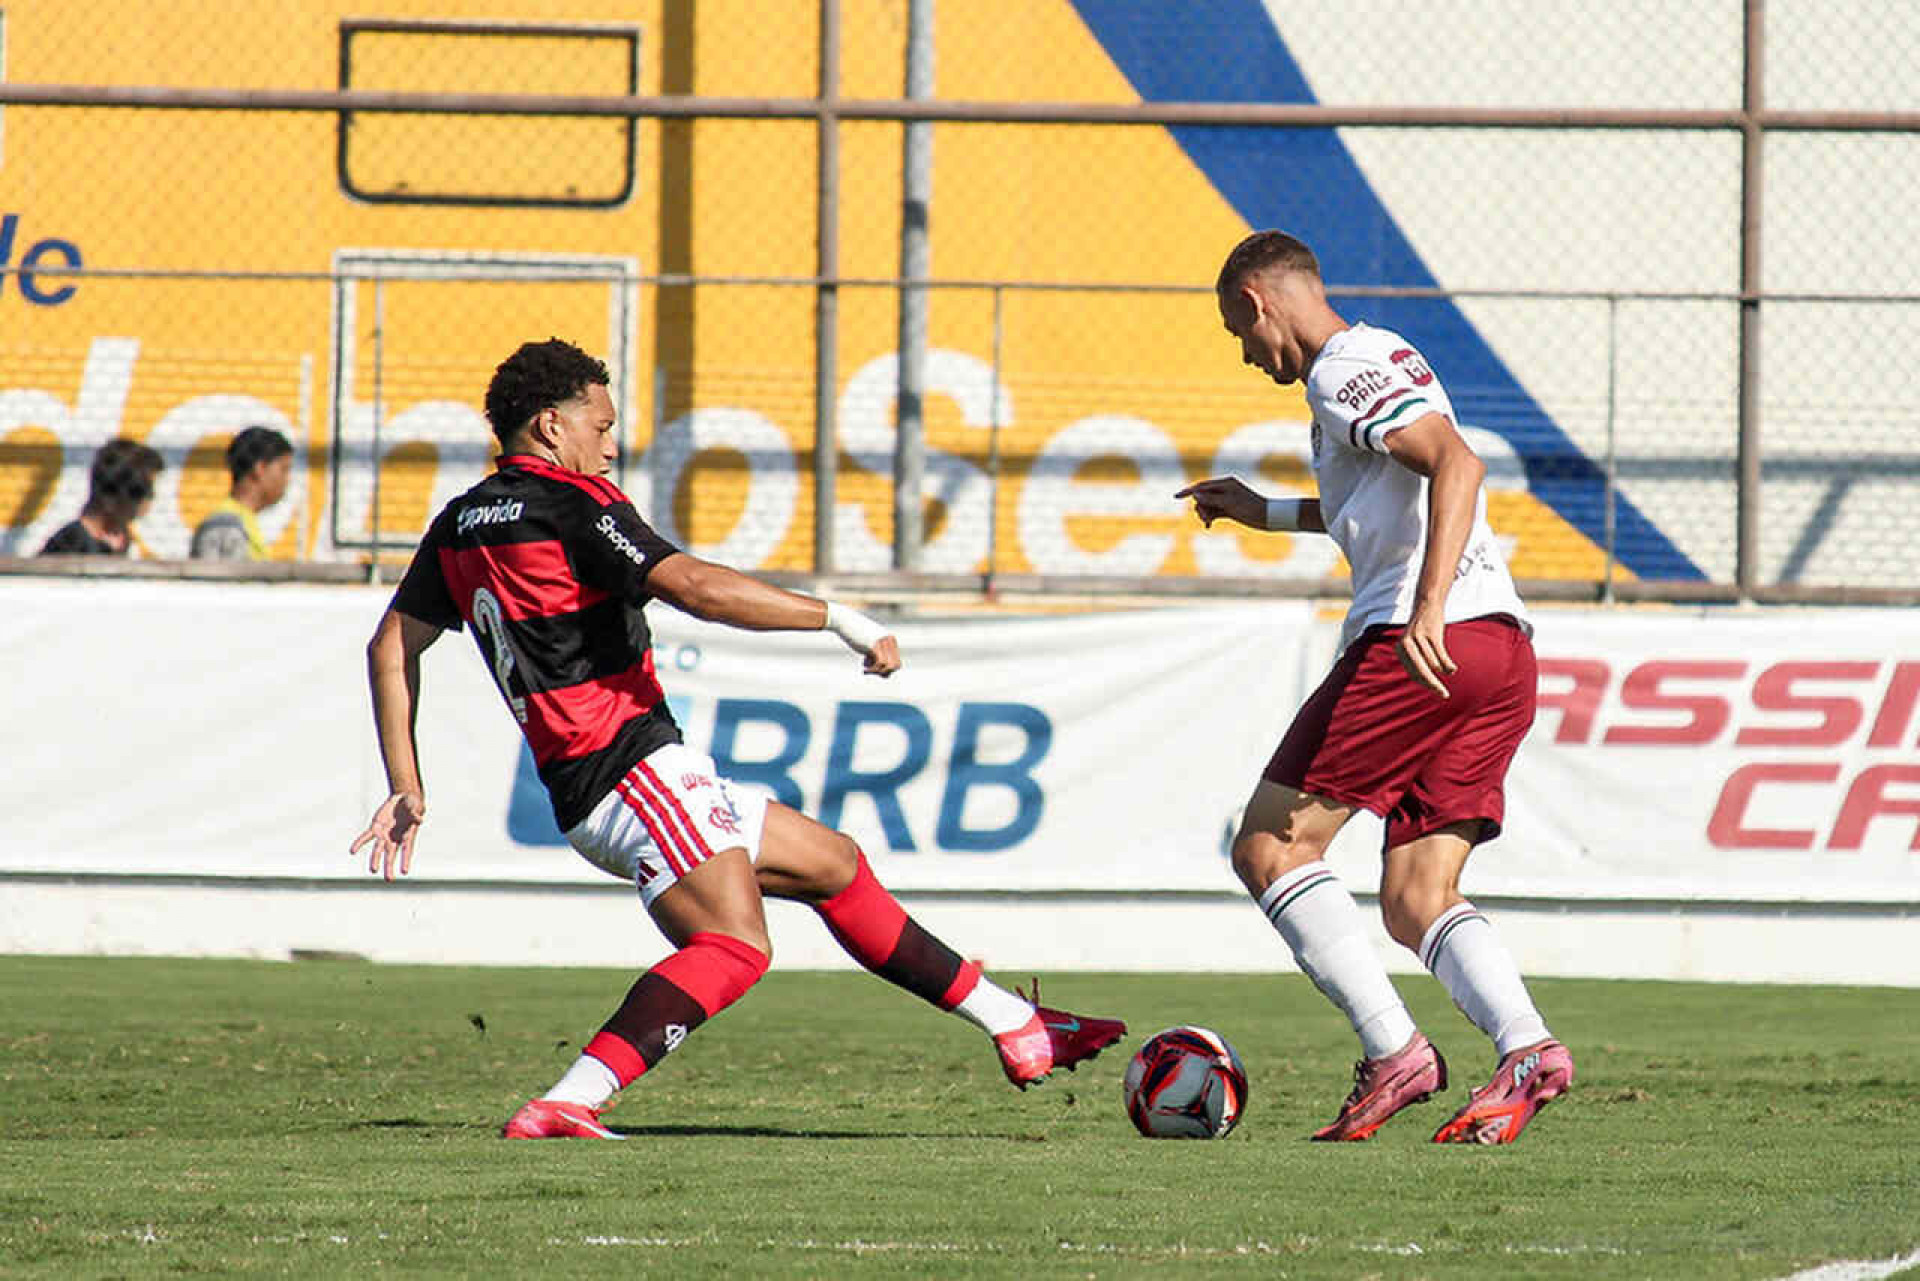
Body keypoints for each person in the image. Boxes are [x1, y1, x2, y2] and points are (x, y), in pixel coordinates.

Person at [351, 337, 1124, 1140]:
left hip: (598, 780)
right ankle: (570, 1098)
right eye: (602, 426)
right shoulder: (573, 504)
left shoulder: (460, 524)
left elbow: (389, 648)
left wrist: (406, 783)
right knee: (735, 943)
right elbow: (696, 588)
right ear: (551, 426)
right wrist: (840, 617)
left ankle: (1016, 1024)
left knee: (834, 864)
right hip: (632, 768)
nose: (612, 446)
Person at [1177, 231, 1572, 1145]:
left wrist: (1428, 607)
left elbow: (1457, 464)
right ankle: (1528, 1049)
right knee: (1414, 894)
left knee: (1272, 847)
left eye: (1237, 328)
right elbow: (1373, 501)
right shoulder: (1370, 364)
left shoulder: (1339, 368)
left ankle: (1396, 1050)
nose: (1243, 350)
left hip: (1423, 641)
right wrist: (1262, 509)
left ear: (1257, 299)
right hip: (1501, 649)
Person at [38, 437, 164, 556]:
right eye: (147, 493)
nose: (150, 500)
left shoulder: (123, 542)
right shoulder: (69, 545)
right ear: (113, 497)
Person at [191, 425, 293, 560]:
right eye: (283, 469)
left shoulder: (244, 522)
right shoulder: (225, 526)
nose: (287, 480)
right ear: (260, 468)